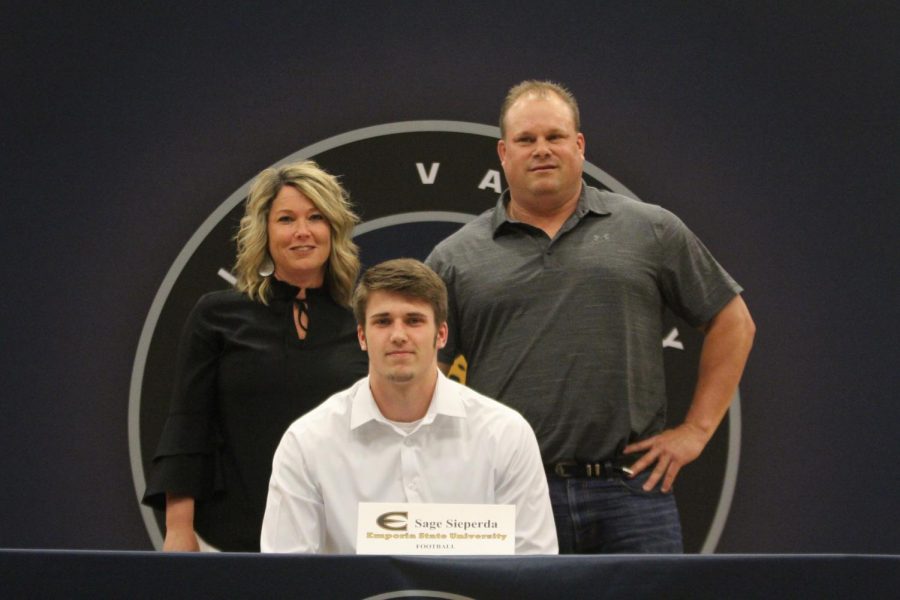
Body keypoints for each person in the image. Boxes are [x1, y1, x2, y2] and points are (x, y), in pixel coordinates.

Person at [425, 80, 756, 553]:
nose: (542, 149)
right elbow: (424, 370)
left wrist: (696, 432)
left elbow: (734, 322)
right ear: (503, 152)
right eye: (526, 140)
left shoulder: (651, 229)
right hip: (511, 493)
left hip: (632, 493)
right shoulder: (455, 257)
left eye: (555, 137)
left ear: (579, 145)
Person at [142, 161, 368, 552]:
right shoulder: (217, 315)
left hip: (339, 542)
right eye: (286, 219)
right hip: (233, 542)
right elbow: (187, 425)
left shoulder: (362, 323)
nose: (302, 231)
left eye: (316, 217)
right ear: (263, 231)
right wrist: (179, 530)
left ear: (334, 229)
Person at [260, 259, 558, 554]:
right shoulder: (307, 442)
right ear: (362, 336)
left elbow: (535, 570)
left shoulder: (506, 434)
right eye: (383, 321)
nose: (398, 335)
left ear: (441, 334)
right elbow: (286, 577)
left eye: (414, 320)